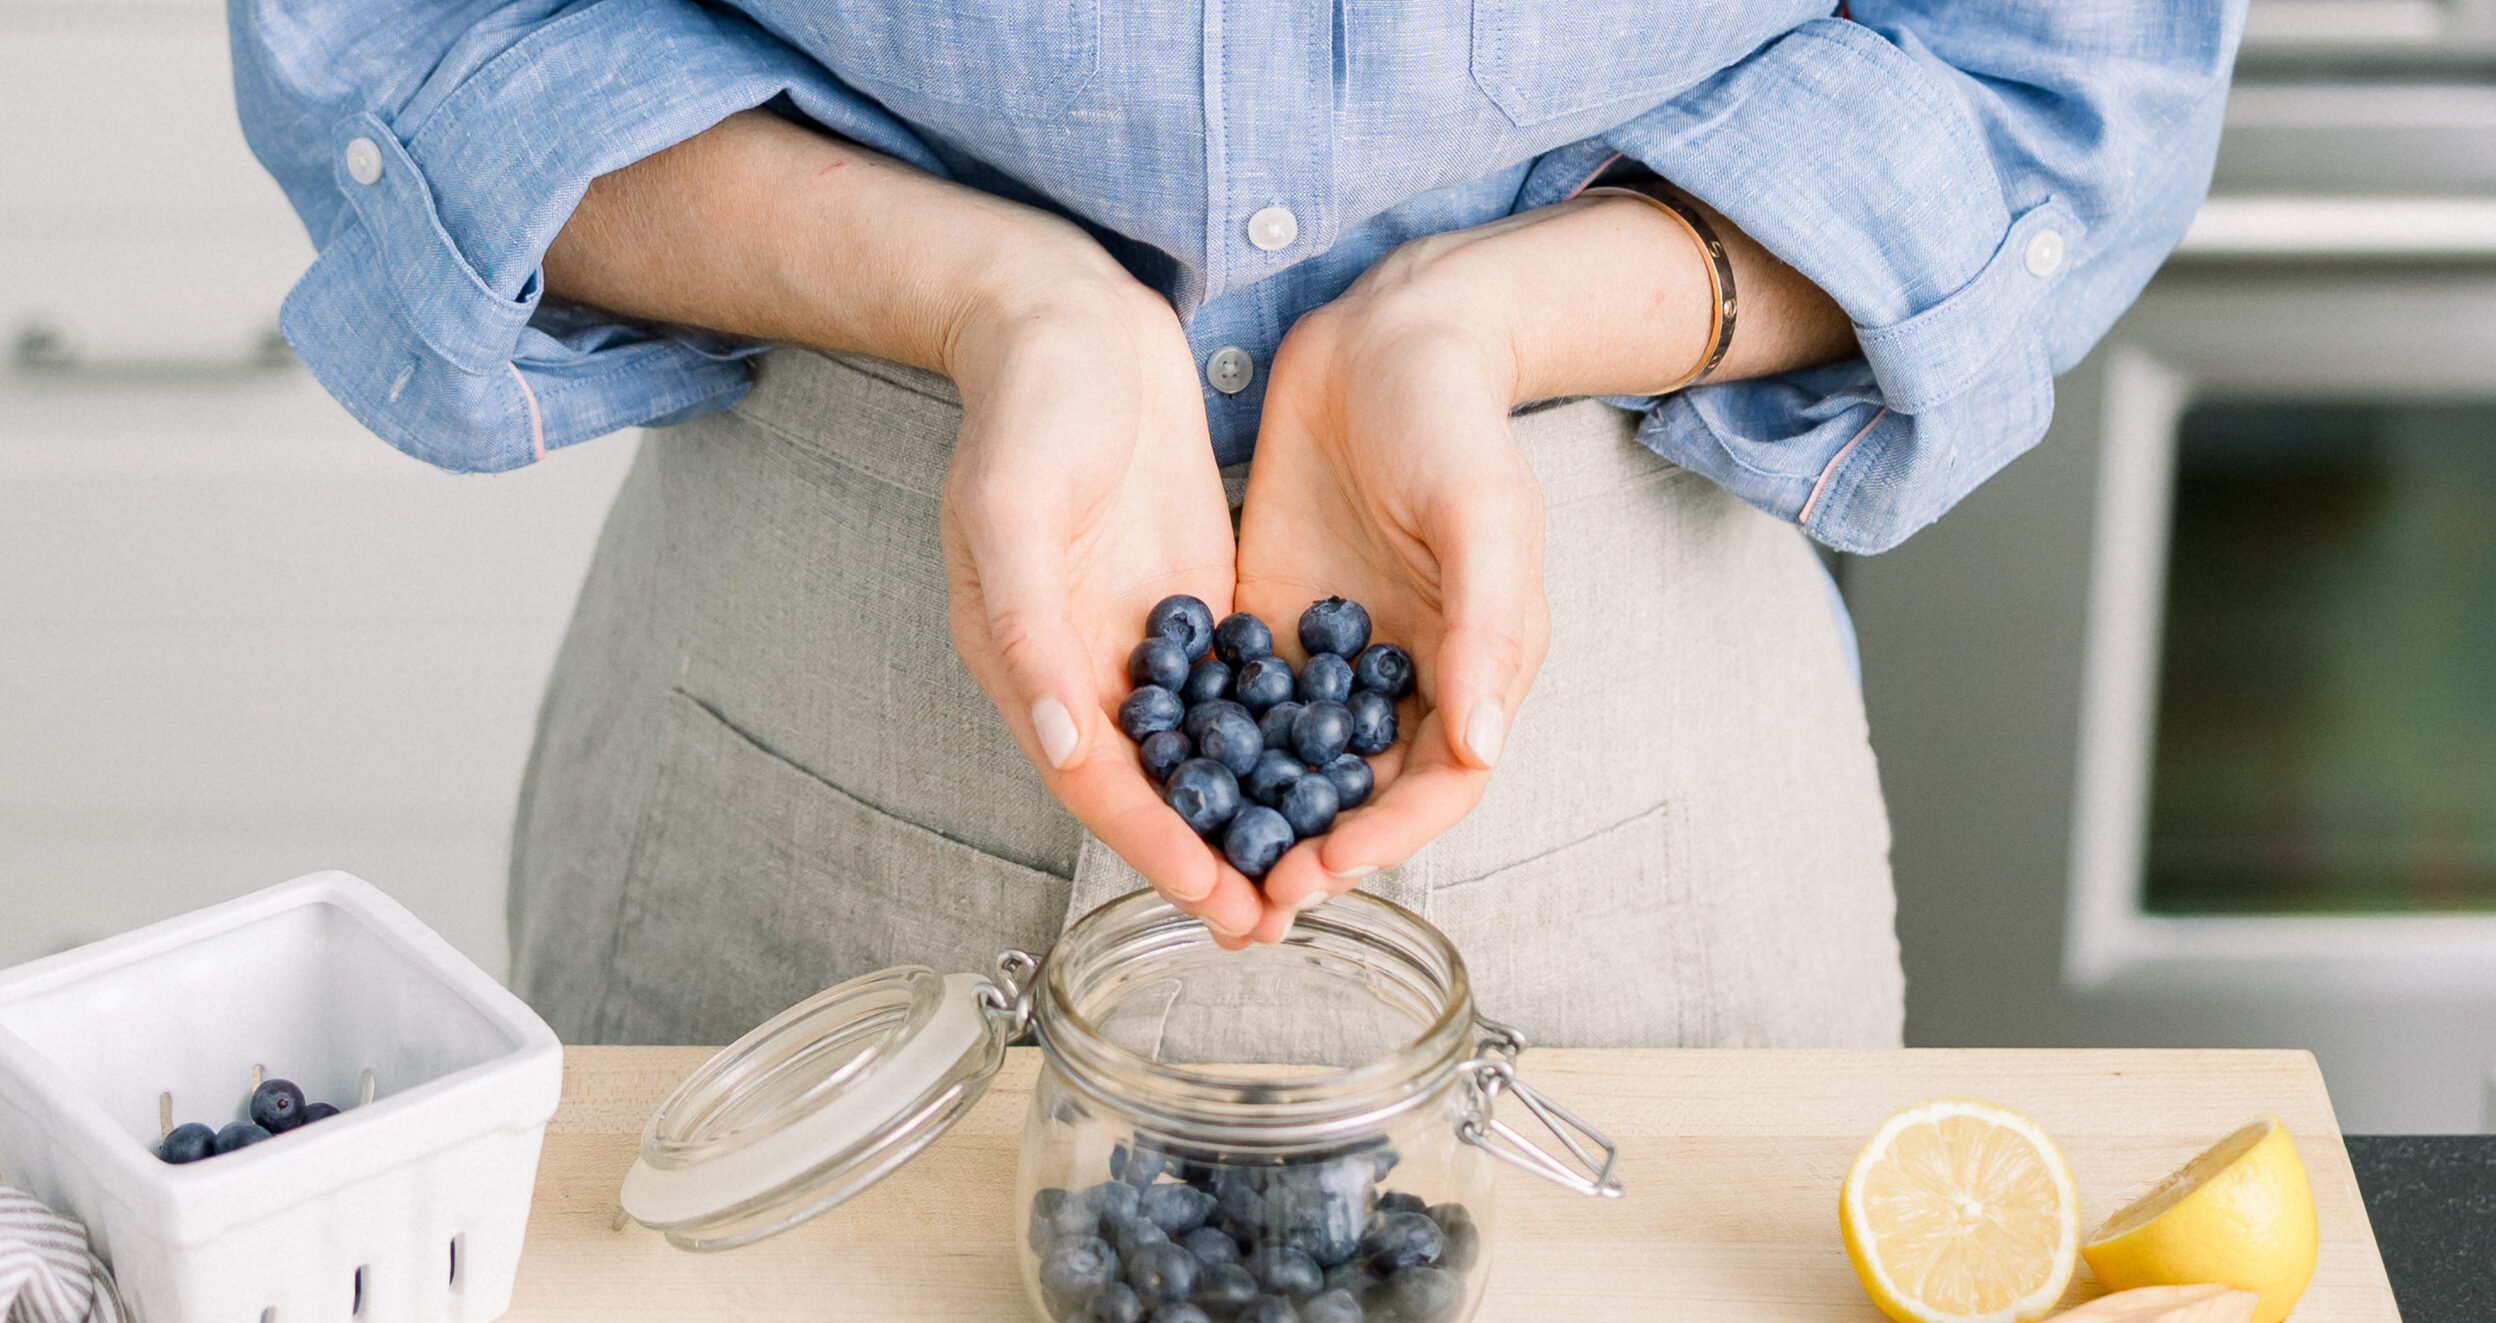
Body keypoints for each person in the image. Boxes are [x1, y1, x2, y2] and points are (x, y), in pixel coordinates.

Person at [229, 2, 2244, 1049]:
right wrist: (981, 293)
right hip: (809, 718)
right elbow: (404, 42)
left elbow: (2055, 69)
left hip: (1630, 750)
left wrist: (1505, 315)